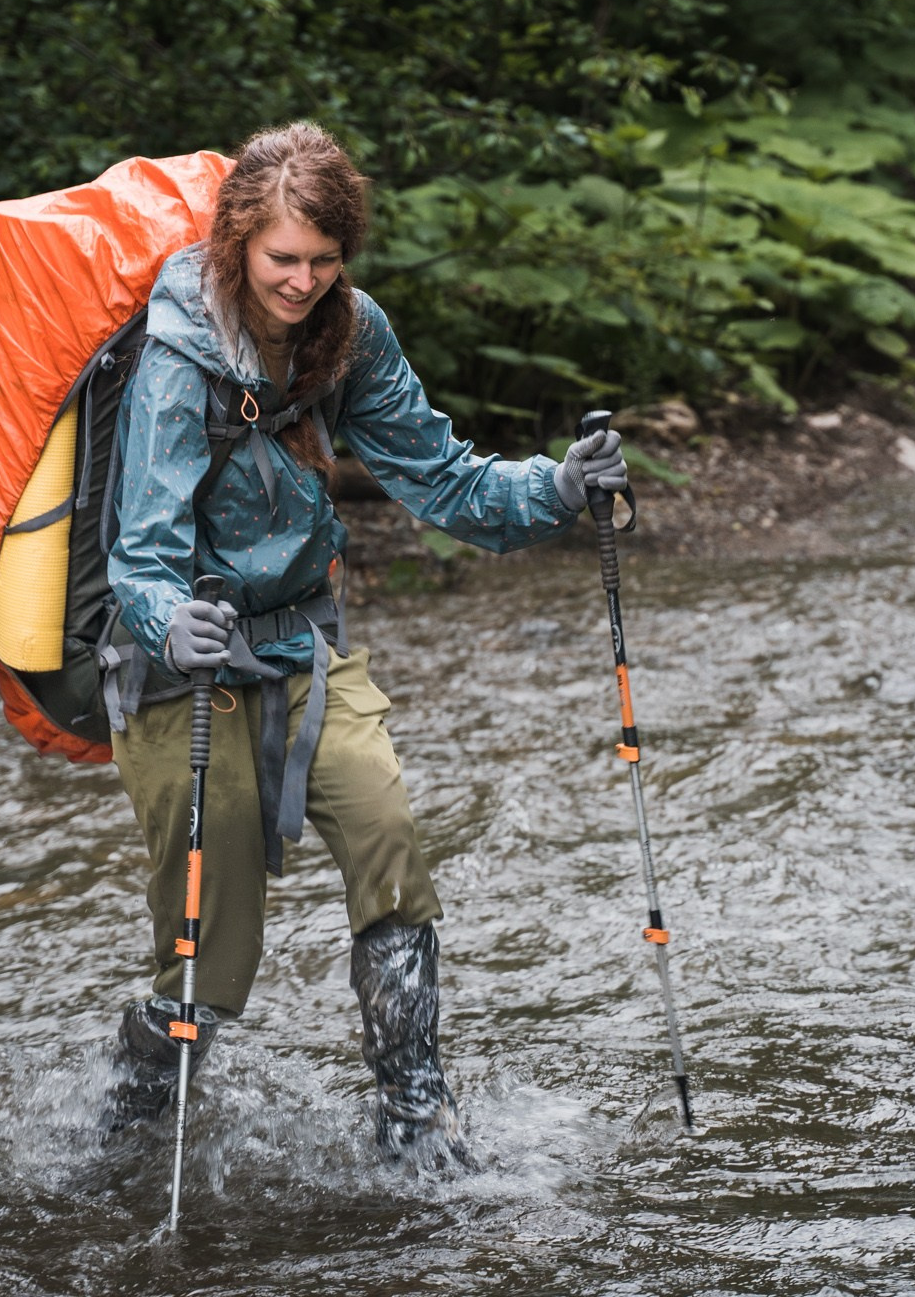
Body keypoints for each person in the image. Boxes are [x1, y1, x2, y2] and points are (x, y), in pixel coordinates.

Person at [99, 121, 626, 1162]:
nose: (301, 281)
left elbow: (447, 478)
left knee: (387, 833)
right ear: (237, 242)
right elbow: (138, 559)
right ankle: (126, 1124)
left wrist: (558, 486)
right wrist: (173, 620)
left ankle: (413, 1114)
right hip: (180, 675)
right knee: (216, 961)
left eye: (324, 260)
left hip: (303, 650)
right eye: (282, 259)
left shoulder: (350, 331)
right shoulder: (174, 359)